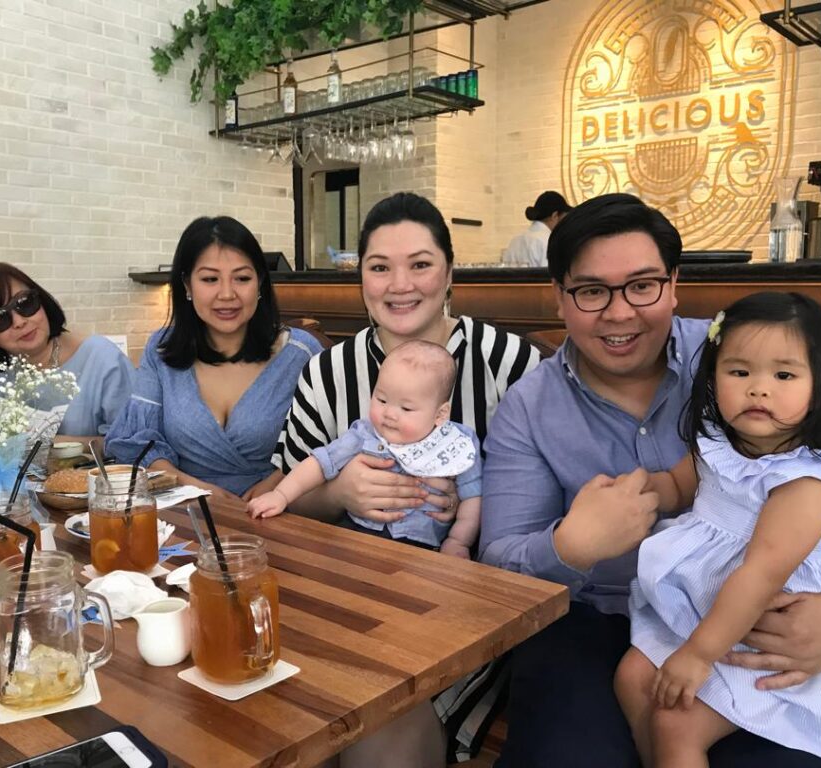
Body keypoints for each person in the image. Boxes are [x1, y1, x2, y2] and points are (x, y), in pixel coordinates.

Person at [479, 193, 821, 768]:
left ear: (673, 284)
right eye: (592, 291)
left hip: (750, 619)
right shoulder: (528, 406)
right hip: (594, 619)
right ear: (559, 296)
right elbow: (497, 564)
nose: (619, 313)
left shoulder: (744, 357)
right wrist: (569, 547)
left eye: (642, 285)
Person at [274, 192, 541, 766]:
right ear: (361, 281)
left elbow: (543, 510)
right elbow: (290, 501)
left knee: (377, 733)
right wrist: (340, 492)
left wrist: (464, 520)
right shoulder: (327, 372)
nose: (400, 285)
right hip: (341, 592)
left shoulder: (512, 364)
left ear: (450, 273)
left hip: (466, 604)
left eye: (420, 264)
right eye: (379, 267)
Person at [616, 292, 821, 768]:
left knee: (676, 722)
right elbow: (677, 485)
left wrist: (699, 655)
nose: (759, 390)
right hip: (698, 609)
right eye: (739, 372)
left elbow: (760, 574)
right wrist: (639, 492)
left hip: (758, 632)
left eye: (784, 375)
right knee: (632, 676)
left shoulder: (807, 481)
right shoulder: (720, 445)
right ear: (712, 378)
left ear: (819, 386)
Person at [105, 216, 322, 501]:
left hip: (280, 510)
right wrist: (197, 490)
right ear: (187, 285)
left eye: (242, 278)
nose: (227, 294)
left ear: (260, 283)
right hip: (184, 508)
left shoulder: (302, 353)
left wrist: (276, 486)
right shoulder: (161, 349)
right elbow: (139, 441)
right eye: (210, 279)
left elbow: (330, 442)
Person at [252, 340, 481, 558]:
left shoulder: (456, 444)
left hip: (423, 550)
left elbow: (473, 497)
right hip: (358, 535)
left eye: (406, 408)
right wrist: (281, 495)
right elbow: (319, 463)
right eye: (381, 400)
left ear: (440, 414)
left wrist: (458, 541)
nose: (389, 413)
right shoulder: (364, 434)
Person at [0, 263, 133, 444]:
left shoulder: (102, 359)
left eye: (24, 303)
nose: (19, 322)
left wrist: (48, 443)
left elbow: (132, 444)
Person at [501, 190, 571, 267]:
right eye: (564, 218)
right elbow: (552, 273)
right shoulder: (550, 242)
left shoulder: (515, 241)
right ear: (555, 216)